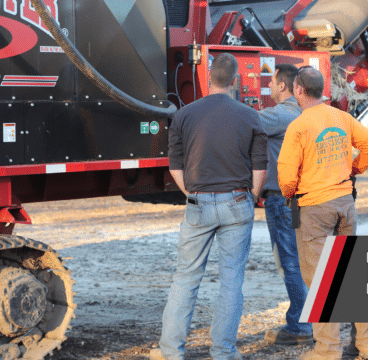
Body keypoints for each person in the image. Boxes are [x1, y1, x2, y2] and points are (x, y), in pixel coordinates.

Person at [150, 53, 267, 360]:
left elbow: (174, 164)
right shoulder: (250, 115)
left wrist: (191, 191)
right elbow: (260, 167)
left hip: (198, 203)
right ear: (235, 81)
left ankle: (171, 352)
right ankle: (224, 352)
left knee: (186, 279)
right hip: (237, 202)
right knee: (231, 282)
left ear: (208, 78)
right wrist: (250, 197)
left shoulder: (185, 115)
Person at [277, 66, 368, 360]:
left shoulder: (298, 126)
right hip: (345, 204)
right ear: (322, 89)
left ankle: (327, 351)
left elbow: (286, 177)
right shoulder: (342, 118)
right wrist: (353, 169)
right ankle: (367, 345)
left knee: (319, 281)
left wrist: (290, 194)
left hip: (314, 207)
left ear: (298, 89)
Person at [258, 63, 314, 346]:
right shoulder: (311, 114)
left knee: (289, 262)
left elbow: (244, 122)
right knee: (303, 261)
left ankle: (299, 327)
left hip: (283, 200)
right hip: (307, 199)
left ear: (282, 86)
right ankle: (308, 322)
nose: (267, 88)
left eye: (269, 83)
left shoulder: (281, 114)